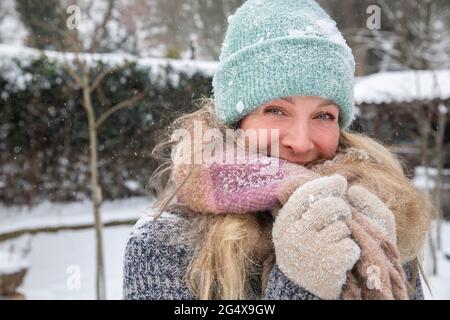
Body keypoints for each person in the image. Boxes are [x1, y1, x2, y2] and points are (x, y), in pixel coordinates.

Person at [122, 0, 434, 300]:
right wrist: (302, 283)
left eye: (323, 115)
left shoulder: (374, 216)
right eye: (276, 111)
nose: (300, 142)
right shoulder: (165, 245)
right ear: (236, 120)